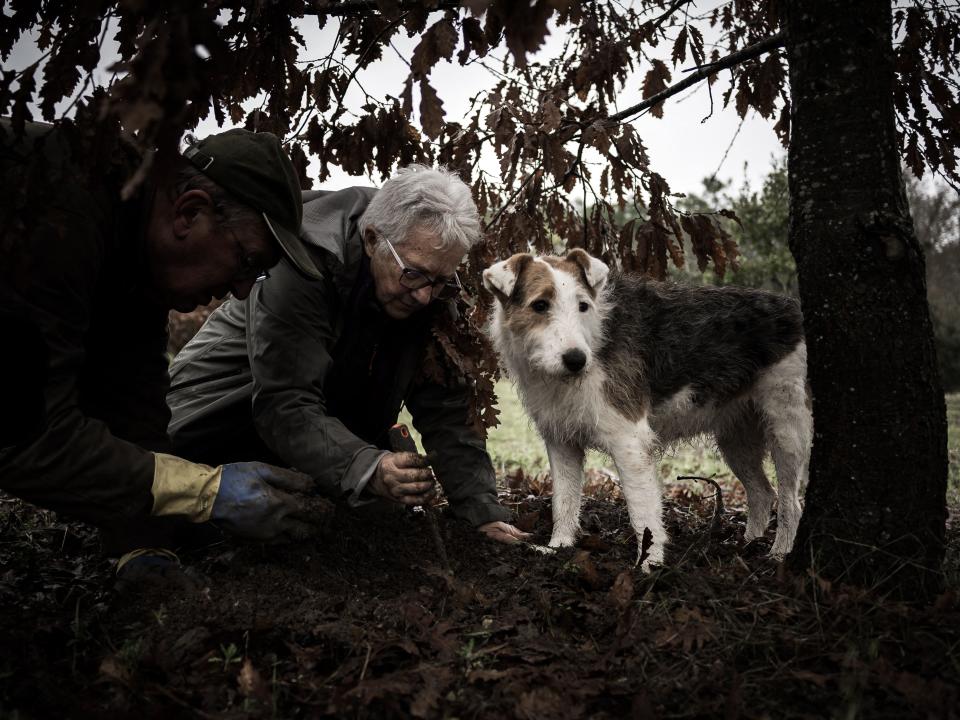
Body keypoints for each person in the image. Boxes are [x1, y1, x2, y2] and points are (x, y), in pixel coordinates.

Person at [0, 121, 329, 582]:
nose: (239, 292)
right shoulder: (54, 211)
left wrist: (144, 547)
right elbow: (25, 431)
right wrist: (205, 492)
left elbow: (133, 406)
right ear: (189, 213)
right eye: (247, 261)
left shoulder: (135, 257)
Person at [167, 165, 529, 544]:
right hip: (219, 415)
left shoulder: (428, 279)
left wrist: (481, 512)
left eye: (438, 281)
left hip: (316, 430)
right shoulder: (301, 262)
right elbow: (284, 402)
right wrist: (368, 467)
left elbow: (447, 407)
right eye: (414, 275)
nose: (424, 295)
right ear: (373, 240)